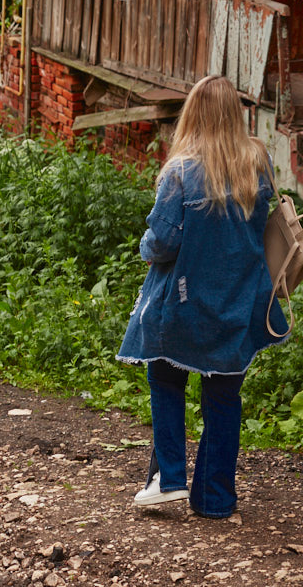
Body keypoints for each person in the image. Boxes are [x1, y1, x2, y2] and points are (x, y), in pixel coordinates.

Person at [117, 75, 288, 519]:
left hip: (185, 303)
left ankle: (169, 477)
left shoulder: (181, 171)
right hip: (239, 302)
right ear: (235, 113)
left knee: (165, 379)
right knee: (224, 397)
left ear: (192, 113)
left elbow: (163, 244)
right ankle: (215, 499)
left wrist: (144, 246)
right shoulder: (258, 162)